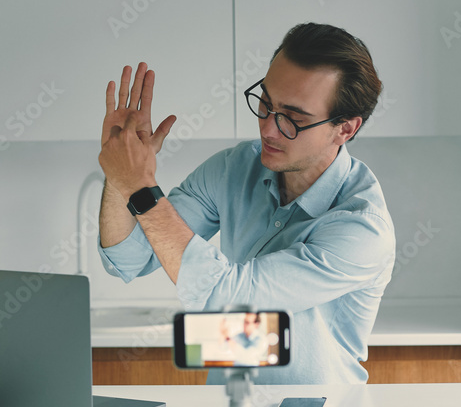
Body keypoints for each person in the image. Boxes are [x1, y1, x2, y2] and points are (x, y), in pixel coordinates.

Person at [96, 23, 395, 384]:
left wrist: (140, 186)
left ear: (345, 129)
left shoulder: (362, 227)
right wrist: (120, 169)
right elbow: (127, 259)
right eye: (266, 104)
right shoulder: (234, 169)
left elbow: (227, 299)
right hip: (229, 404)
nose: (267, 129)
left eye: (293, 118)